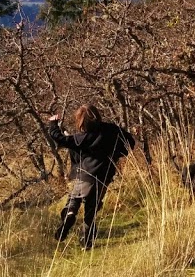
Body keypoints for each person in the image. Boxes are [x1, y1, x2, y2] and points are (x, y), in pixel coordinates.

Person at [48, 104, 135, 250]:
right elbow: (130, 142)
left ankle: (70, 214)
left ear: (80, 121)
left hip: (84, 175)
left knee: (74, 199)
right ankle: (87, 243)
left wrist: (53, 124)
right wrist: (117, 155)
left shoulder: (81, 138)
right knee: (91, 209)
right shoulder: (112, 130)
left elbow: (60, 139)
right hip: (104, 176)